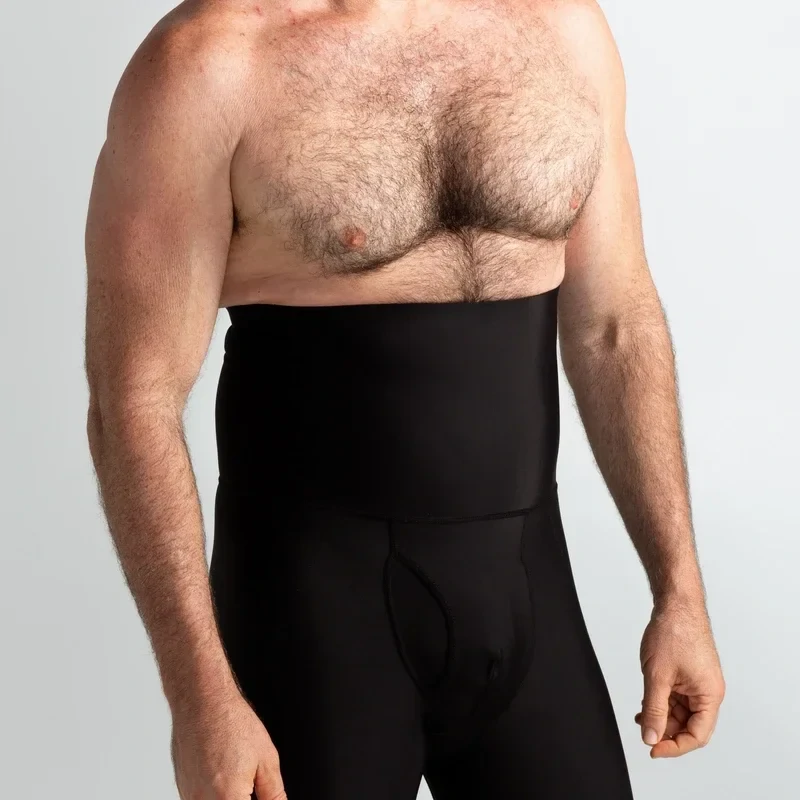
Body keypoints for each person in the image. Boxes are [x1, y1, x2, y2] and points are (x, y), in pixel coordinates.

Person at [84, 1, 726, 798]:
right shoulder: (210, 62)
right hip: (310, 626)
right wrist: (200, 696)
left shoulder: (561, 28)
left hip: (529, 599)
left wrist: (680, 591)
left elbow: (615, 328)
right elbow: (134, 398)